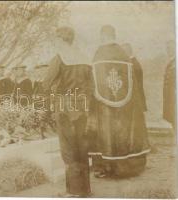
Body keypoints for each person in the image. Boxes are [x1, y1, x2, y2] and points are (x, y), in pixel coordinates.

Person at [88, 25, 150, 178]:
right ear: (114, 35)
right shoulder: (123, 54)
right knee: (125, 131)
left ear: (102, 36)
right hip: (126, 105)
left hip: (103, 106)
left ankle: (105, 168)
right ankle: (128, 168)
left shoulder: (99, 54)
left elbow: (93, 82)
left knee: (106, 133)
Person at [43, 26, 93, 197]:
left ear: (61, 40)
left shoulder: (59, 59)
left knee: (68, 149)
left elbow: (45, 84)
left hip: (65, 108)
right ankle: (85, 189)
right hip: (83, 109)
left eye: (56, 38)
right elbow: (91, 86)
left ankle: (74, 191)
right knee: (82, 147)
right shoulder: (85, 58)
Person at [163, 40, 176, 130]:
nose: (168, 51)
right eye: (167, 48)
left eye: (171, 48)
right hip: (170, 96)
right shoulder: (171, 62)